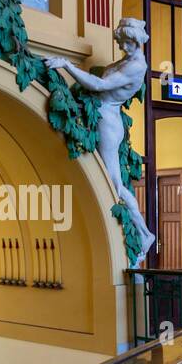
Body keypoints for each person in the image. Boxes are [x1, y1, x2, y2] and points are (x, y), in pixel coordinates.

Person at [44, 17, 155, 261]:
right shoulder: (127, 59)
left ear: (137, 41)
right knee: (110, 178)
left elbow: (98, 84)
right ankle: (144, 232)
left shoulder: (137, 66)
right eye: (121, 42)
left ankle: (144, 233)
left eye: (127, 42)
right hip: (101, 116)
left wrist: (67, 65)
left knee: (113, 181)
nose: (122, 47)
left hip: (108, 121)